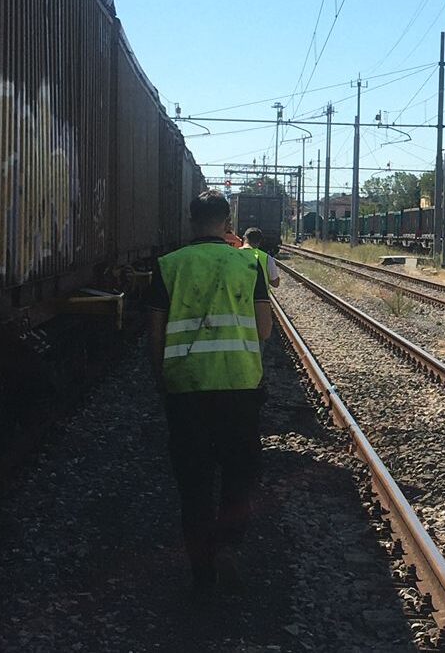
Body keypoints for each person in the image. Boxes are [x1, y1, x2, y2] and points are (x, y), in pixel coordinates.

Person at [147, 190, 272, 595]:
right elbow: (265, 329)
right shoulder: (248, 263)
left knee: (194, 481)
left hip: (187, 388)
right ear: (226, 221)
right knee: (238, 475)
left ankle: (201, 571)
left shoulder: (168, 266)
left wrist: (163, 381)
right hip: (240, 387)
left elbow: (154, 336)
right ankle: (227, 547)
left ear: (190, 220)